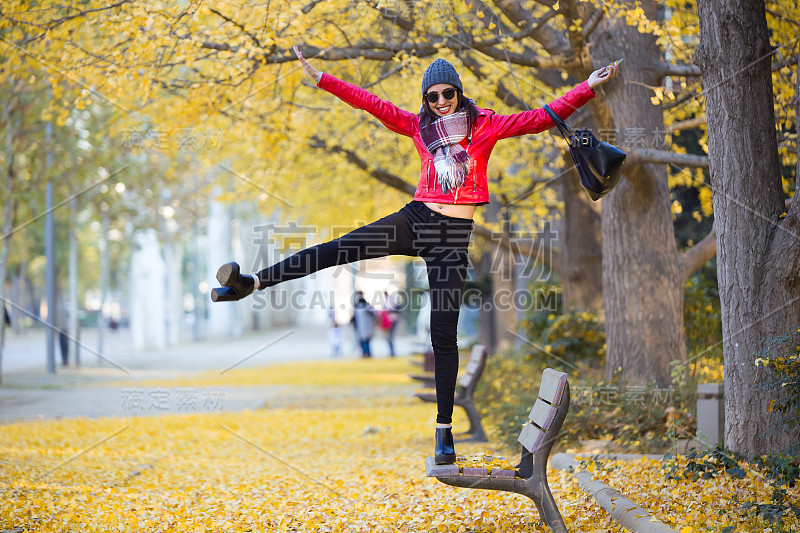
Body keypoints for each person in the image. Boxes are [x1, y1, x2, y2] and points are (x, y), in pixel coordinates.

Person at [211, 46, 619, 464]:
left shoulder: (488, 126)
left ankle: (443, 433)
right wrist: (321, 79)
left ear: (459, 93)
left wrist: (588, 87)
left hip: (453, 238)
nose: (441, 102)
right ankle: (252, 283)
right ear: (425, 99)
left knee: (444, 334)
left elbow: (540, 117)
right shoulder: (416, 127)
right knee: (338, 249)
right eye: (433, 97)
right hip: (416, 217)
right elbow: (370, 102)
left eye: (448, 94)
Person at [350, 290, 375, 358]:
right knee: (361, 341)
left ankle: (367, 354)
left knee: (366, 341)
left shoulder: (367, 305)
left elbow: (373, 314)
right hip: (360, 327)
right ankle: (364, 353)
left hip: (367, 326)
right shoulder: (356, 306)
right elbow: (354, 317)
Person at [379, 290, 400, 357]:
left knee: (390, 337)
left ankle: (392, 352)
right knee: (389, 338)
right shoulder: (389, 300)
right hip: (389, 322)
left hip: (392, 321)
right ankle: (391, 351)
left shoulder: (391, 300)